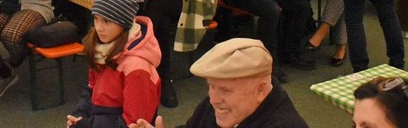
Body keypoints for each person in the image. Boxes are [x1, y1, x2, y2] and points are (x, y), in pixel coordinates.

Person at [131, 38, 309, 128]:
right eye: (211, 86)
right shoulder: (218, 105)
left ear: (261, 89)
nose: (213, 98)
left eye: (225, 90)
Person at [67, 0, 160, 127]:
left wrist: (87, 125)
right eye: (96, 18)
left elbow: (133, 123)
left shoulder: (137, 68)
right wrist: (79, 114)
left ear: (124, 23)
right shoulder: (102, 48)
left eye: (106, 21)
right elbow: (91, 88)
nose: (99, 28)